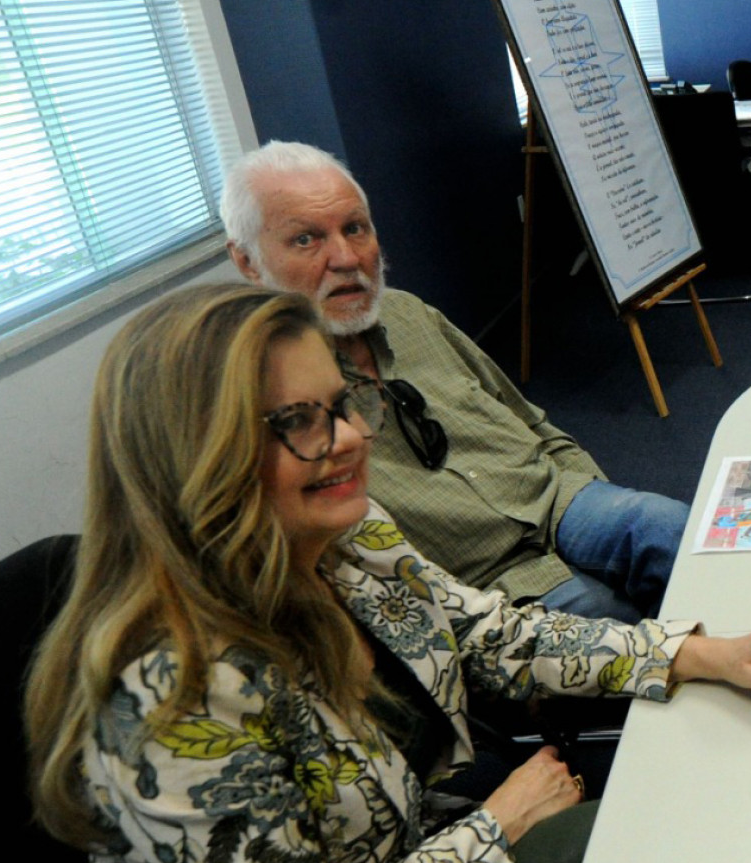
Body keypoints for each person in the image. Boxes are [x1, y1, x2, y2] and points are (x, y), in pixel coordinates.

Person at [23, 284, 751, 863]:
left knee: (647, 835)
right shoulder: (175, 692)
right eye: (299, 420)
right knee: (625, 852)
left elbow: (489, 632)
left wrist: (690, 655)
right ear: (198, 450)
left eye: (341, 403)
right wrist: (496, 826)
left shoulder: (345, 536)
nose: (353, 436)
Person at [220, 141, 684, 624]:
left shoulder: (409, 312)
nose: (344, 258)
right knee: (617, 622)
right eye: (305, 240)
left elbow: (530, 420)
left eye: (355, 228)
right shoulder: (264, 392)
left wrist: (592, 492)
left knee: (669, 528)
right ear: (247, 262)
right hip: (482, 579)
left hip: (553, 500)